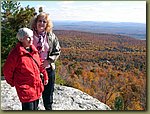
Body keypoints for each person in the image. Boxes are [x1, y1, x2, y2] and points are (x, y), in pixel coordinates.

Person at [3, 28, 49, 110]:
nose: (31, 39)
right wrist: (13, 82)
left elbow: (40, 65)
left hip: (36, 87)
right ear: (21, 39)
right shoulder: (16, 54)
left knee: (35, 108)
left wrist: (45, 75)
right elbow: (7, 70)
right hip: (25, 89)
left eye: (31, 36)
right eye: (28, 37)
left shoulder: (34, 51)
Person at [30, 12, 61, 110]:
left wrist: (49, 60)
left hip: (48, 70)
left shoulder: (51, 36)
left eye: (44, 21)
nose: (42, 23)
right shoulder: (29, 35)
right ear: (35, 22)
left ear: (47, 24)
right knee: (34, 98)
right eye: (40, 21)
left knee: (48, 98)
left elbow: (57, 50)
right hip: (33, 72)